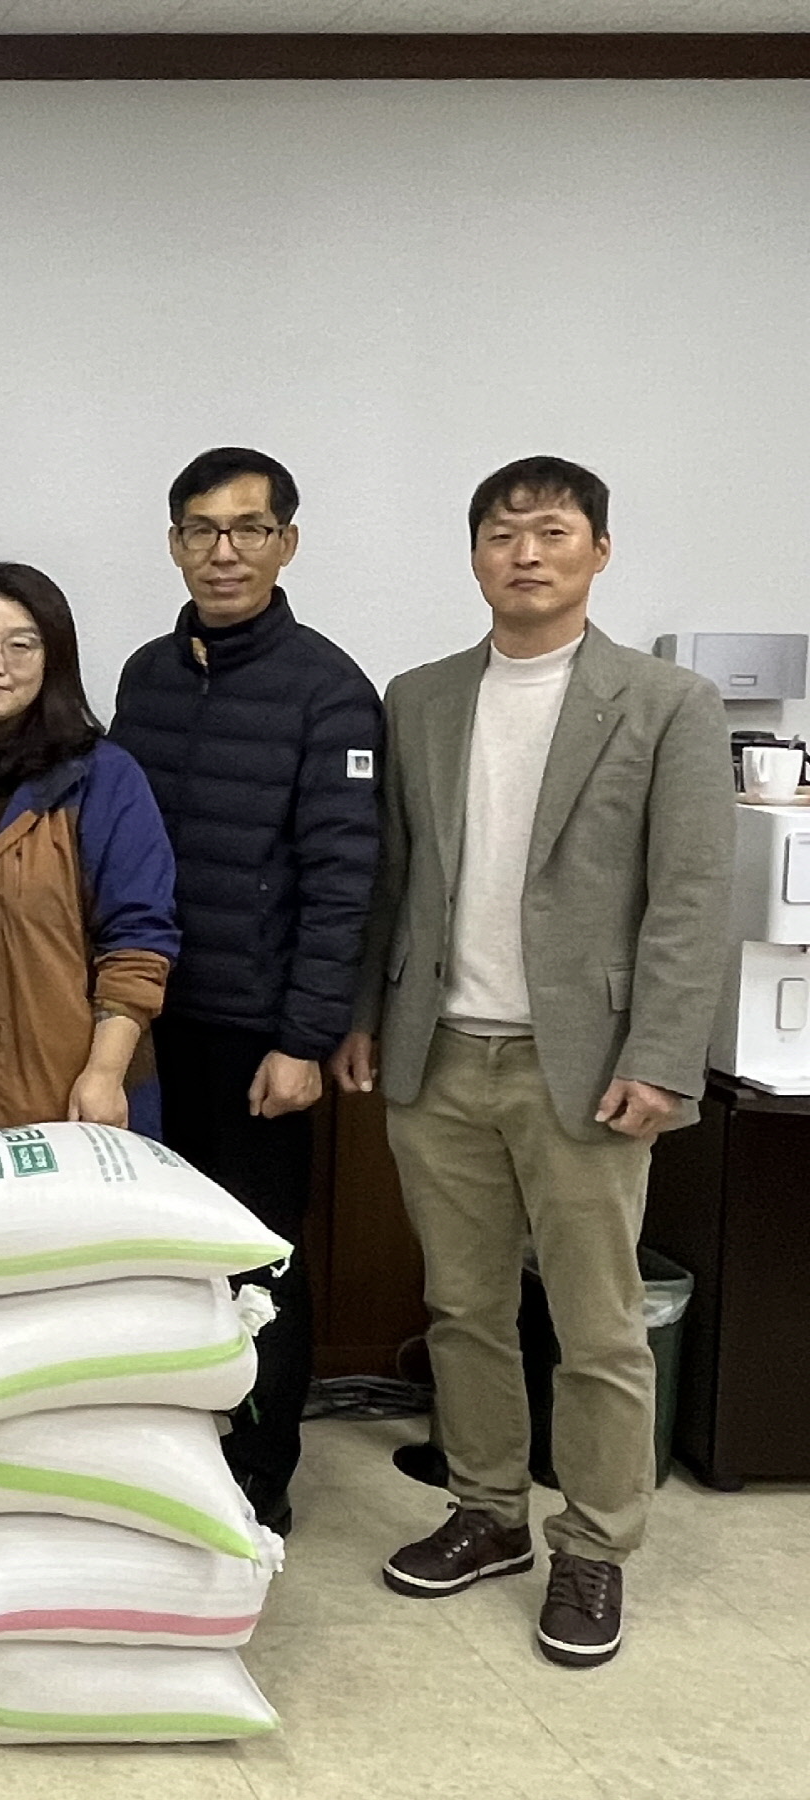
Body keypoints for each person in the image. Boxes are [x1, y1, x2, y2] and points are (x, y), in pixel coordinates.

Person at [335, 457, 732, 1669]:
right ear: (474, 557)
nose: (527, 553)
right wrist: (361, 1015)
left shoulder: (666, 702)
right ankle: (490, 1511)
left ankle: (597, 1549)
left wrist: (665, 1059)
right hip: (438, 1050)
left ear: (598, 551)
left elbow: (692, 899)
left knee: (600, 1325)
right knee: (464, 1307)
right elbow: (391, 882)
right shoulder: (421, 697)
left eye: (553, 533)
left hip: (591, 1065)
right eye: (503, 534)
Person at [109, 446, 384, 1536]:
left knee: (258, 1258)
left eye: (248, 530)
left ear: (287, 542)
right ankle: (165, 1452)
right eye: (200, 531)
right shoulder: (146, 673)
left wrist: (305, 1037)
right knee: (148, 1255)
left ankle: (261, 1475)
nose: (223, 553)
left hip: (255, 1036)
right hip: (147, 1022)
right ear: (175, 543)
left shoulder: (330, 690)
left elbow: (344, 879)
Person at [0, 562, 177, 1135]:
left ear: (54, 658)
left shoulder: (100, 777)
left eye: (20, 645)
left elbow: (138, 942)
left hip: (55, 1090)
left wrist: (103, 1074)